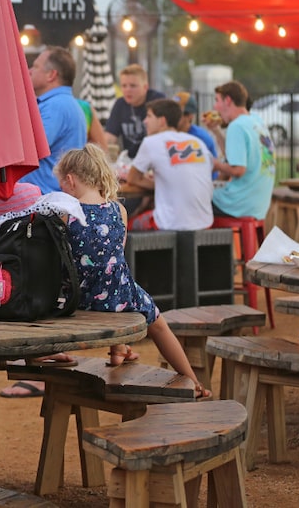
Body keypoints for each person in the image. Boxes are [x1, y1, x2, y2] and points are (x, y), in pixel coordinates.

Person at [53, 144, 210, 396]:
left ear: (70, 180)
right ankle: (192, 380)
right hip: (118, 294)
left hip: (77, 299)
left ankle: (116, 349)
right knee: (158, 324)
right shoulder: (119, 210)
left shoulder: (64, 215)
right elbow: (114, 256)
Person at [126, 99, 214, 231]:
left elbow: (132, 178)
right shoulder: (198, 142)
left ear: (162, 121)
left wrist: (157, 184)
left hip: (171, 224)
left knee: (124, 227)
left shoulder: (151, 142)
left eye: (149, 116)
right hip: (205, 222)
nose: (145, 121)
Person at [19, 46, 87, 193]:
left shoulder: (55, 106)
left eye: (36, 66)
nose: (29, 71)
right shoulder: (64, 103)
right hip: (52, 197)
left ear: (51, 75)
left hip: (44, 201)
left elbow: (27, 149)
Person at [205, 81, 276, 219]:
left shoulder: (236, 126)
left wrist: (215, 164)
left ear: (228, 100)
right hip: (257, 205)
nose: (214, 106)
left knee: (192, 201)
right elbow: (234, 158)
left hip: (239, 205)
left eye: (217, 100)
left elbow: (238, 170)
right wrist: (216, 131)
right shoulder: (256, 121)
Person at [105, 64, 165, 159]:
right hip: (130, 159)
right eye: (124, 86)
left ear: (145, 87)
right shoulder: (120, 104)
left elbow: (166, 132)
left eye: (133, 86)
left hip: (156, 157)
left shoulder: (158, 101)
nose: (128, 90)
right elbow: (109, 137)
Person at [173, 92, 217, 158]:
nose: (171, 116)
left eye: (177, 113)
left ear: (190, 116)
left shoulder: (200, 138)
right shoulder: (165, 133)